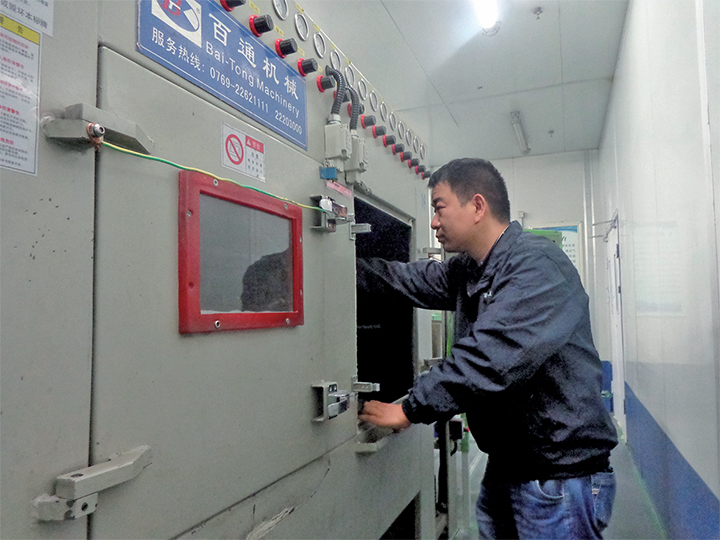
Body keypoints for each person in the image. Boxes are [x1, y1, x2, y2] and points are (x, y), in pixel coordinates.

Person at [357, 158, 618, 539]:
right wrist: (332, 263)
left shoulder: (537, 264)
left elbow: (491, 357)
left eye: (439, 208)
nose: (434, 222)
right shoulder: (471, 270)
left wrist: (410, 408)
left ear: (477, 206)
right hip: (510, 466)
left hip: (556, 477)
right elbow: (406, 279)